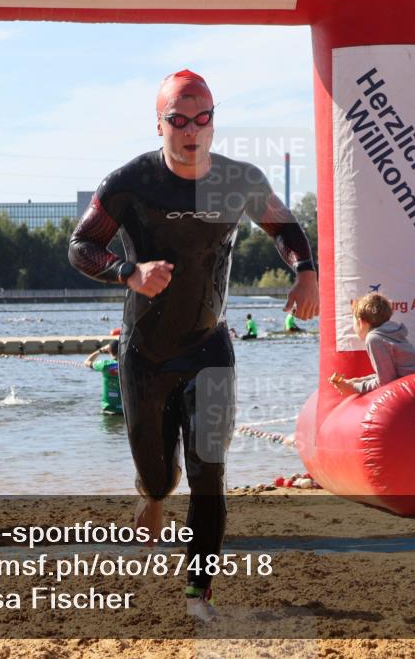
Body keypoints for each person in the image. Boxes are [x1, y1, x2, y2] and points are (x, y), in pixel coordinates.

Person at [67, 69, 319, 622]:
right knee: (161, 474)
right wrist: (128, 272)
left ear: (212, 123)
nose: (191, 131)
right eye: (178, 120)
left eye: (202, 119)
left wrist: (306, 272)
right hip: (145, 353)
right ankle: (153, 494)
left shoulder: (239, 179)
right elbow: (82, 246)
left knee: (209, 471)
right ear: (159, 124)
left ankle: (197, 591)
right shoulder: (131, 182)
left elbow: (285, 228)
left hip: (209, 347)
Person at [328, 293, 415, 395]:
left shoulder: (374, 339)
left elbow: (386, 381)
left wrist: (355, 388)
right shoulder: (390, 331)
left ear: (361, 321)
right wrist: (358, 381)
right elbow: (389, 373)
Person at [84, 341, 123, 415]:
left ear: (109, 351)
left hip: (108, 409)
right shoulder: (127, 364)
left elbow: (87, 362)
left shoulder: (104, 365)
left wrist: (100, 350)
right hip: (124, 410)